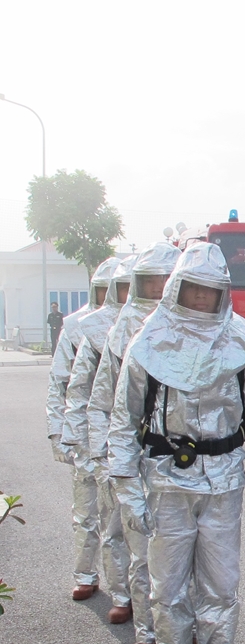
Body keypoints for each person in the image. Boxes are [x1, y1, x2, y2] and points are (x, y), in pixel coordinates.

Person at [108, 242, 245, 644]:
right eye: (194, 289)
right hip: (166, 480)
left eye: (211, 291)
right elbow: (123, 421)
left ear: (222, 293)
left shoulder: (242, 341)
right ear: (176, 289)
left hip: (223, 480)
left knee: (221, 583)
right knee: (168, 583)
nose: (202, 299)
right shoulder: (146, 341)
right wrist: (127, 488)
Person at [89, 242, 181, 644]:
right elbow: (102, 399)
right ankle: (146, 629)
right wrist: (102, 456)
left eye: (168, 281)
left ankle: (180, 631)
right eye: (152, 282)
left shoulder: (192, 328)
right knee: (138, 548)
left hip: (175, 463)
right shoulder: (120, 332)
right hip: (133, 454)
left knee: (181, 559)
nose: (160, 289)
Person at [62, 256, 136, 620]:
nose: (119, 294)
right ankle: (92, 578)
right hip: (95, 435)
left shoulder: (146, 326)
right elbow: (70, 386)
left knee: (133, 524)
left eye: (125, 286)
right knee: (91, 515)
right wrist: (71, 437)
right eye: (114, 288)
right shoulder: (81, 327)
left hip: (134, 439)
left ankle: (138, 594)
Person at [45, 257, 120, 601]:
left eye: (115, 290)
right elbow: (60, 382)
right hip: (84, 434)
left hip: (117, 433)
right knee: (85, 511)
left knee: (118, 518)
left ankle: (124, 587)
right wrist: (58, 432)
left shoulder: (133, 326)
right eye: (103, 290)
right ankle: (85, 574)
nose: (108, 298)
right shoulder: (75, 326)